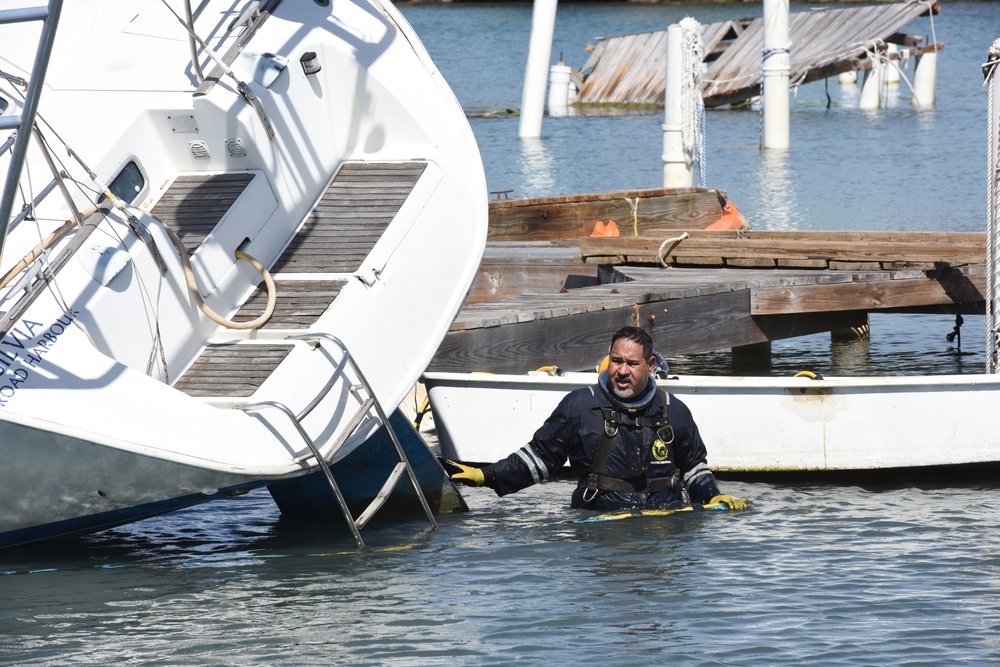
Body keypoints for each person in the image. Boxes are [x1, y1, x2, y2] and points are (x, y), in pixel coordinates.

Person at [440, 326, 747, 512]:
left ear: (650, 365)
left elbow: (695, 469)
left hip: (664, 524)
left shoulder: (673, 410)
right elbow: (539, 459)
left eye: (631, 363)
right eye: (616, 361)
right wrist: (486, 476)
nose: (622, 370)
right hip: (599, 525)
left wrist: (713, 498)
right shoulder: (580, 406)